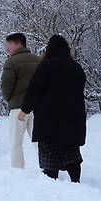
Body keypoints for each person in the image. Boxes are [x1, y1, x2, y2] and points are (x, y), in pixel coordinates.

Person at [20, 35, 86, 183]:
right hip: (73, 119)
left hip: (49, 120)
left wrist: (24, 110)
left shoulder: (46, 67)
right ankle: (76, 181)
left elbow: (34, 91)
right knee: (72, 154)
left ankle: (52, 184)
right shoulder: (75, 67)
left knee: (50, 155)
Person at [0, 33, 42, 168]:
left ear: (18, 43)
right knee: (39, 140)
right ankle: (47, 167)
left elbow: (6, 86)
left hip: (18, 108)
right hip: (38, 107)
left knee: (16, 142)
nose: (8, 49)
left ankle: (17, 170)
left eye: (9, 45)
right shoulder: (39, 60)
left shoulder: (11, 62)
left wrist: (10, 99)